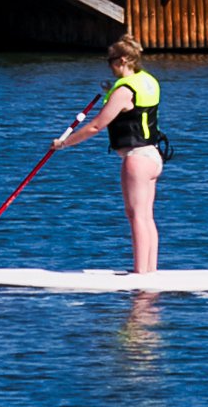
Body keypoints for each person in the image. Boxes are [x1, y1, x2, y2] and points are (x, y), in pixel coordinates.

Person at [49, 35, 166, 276]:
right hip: (153, 156)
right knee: (145, 216)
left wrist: (64, 144)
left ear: (122, 60)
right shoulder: (148, 81)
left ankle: (140, 274)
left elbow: (96, 126)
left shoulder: (123, 90)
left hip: (137, 158)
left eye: (110, 62)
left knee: (136, 216)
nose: (109, 67)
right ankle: (149, 270)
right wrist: (110, 92)